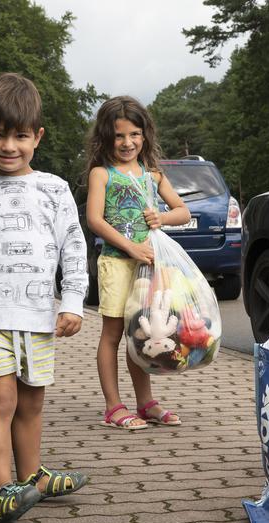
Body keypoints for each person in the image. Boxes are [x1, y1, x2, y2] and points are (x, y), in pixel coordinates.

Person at [0, 73, 89, 523]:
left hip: (37, 316)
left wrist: (73, 300)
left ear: (37, 137)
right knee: (0, 401)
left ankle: (33, 478)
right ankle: (2, 490)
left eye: (20, 136)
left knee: (31, 403)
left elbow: (73, 245)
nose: (9, 146)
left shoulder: (54, 188)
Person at [85, 96, 191, 430]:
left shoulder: (153, 175)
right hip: (117, 263)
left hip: (148, 267)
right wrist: (130, 247)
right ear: (106, 138)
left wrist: (161, 217)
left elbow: (183, 212)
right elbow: (95, 220)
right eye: (119, 136)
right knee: (114, 333)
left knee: (141, 334)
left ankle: (145, 403)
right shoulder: (103, 174)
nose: (127, 142)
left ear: (144, 135)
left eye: (134, 134)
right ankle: (114, 406)